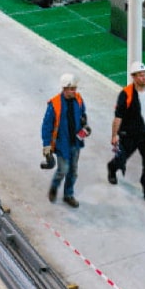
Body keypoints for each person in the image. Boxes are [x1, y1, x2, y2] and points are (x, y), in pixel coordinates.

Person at [107, 61, 145, 208]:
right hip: (129, 135)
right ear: (133, 77)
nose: (144, 77)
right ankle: (112, 167)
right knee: (122, 158)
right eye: (141, 75)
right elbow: (118, 117)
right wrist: (114, 135)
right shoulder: (126, 94)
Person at [41, 73, 89, 208]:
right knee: (63, 169)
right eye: (72, 89)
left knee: (73, 171)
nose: (75, 91)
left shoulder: (78, 99)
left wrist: (84, 125)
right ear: (65, 89)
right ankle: (54, 187)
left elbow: (83, 113)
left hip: (76, 142)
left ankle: (68, 194)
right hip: (62, 144)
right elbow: (46, 126)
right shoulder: (55, 104)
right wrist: (46, 146)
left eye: (75, 88)